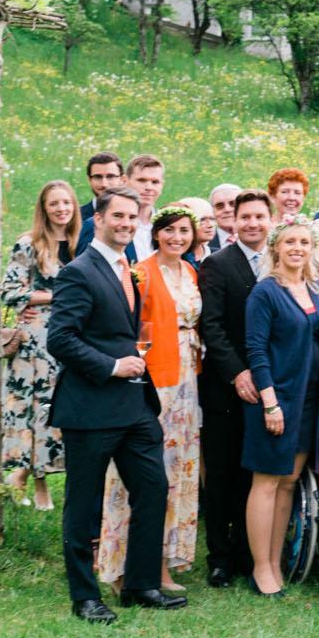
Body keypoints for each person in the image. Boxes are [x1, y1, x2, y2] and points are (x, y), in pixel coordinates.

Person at [45, 187, 180, 621]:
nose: (125, 223)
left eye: (131, 217)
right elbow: (60, 339)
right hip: (90, 406)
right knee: (83, 504)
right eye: (117, 216)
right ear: (98, 219)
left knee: (153, 488)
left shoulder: (129, 269)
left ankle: (141, 585)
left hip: (136, 404)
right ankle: (85, 597)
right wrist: (111, 366)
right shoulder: (79, 272)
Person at [97, 203, 204, 594]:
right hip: (154, 380)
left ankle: (160, 565)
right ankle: (119, 565)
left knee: (176, 473)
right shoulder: (140, 272)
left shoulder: (190, 271)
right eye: (169, 230)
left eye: (184, 231)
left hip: (187, 381)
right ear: (156, 233)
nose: (177, 237)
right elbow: (131, 327)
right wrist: (138, 368)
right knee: (141, 472)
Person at [242, 216, 319, 597]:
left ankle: (277, 562)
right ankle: (260, 567)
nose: (297, 248)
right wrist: (270, 403)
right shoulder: (265, 293)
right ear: (276, 246)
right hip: (278, 400)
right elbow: (256, 349)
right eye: (290, 241)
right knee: (267, 481)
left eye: (304, 242)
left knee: (289, 481)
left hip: (309, 400)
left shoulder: (312, 289)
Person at [196, 188, 271, 588]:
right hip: (227, 386)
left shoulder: (280, 261)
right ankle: (220, 556)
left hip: (269, 385)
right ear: (234, 222)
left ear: (270, 220)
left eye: (259, 216)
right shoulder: (218, 264)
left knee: (252, 472)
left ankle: (248, 550)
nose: (253, 224)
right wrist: (237, 373)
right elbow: (211, 325)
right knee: (222, 472)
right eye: (246, 217)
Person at [2, 179, 78, 512]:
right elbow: (10, 291)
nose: (61, 209)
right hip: (36, 343)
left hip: (69, 339)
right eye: (54, 203)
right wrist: (54, 296)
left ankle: (34, 477)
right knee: (34, 409)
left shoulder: (79, 244)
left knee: (55, 411)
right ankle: (33, 481)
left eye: (66, 203)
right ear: (44, 209)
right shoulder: (29, 243)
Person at [120, 155, 167, 260]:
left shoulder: (168, 224)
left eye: (155, 182)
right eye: (141, 180)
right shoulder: (108, 223)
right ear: (124, 181)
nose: (149, 187)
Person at [76, 152, 123, 251]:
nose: (104, 184)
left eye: (110, 176)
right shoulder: (76, 217)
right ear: (89, 179)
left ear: (122, 179)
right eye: (98, 177)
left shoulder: (132, 219)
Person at [205, 183, 241, 254]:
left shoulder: (260, 239)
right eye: (219, 206)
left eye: (233, 204)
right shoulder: (204, 244)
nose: (227, 209)